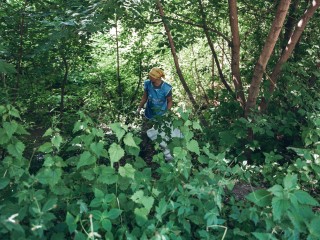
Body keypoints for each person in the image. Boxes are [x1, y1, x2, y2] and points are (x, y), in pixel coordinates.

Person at [137, 67, 173, 161]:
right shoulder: (148, 84)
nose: (149, 77)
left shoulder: (166, 88)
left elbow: (169, 102)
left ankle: (162, 156)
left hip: (161, 115)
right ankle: (143, 154)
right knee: (144, 134)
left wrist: (167, 113)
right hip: (149, 114)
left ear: (157, 77)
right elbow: (144, 97)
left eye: (151, 76)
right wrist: (139, 107)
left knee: (161, 136)